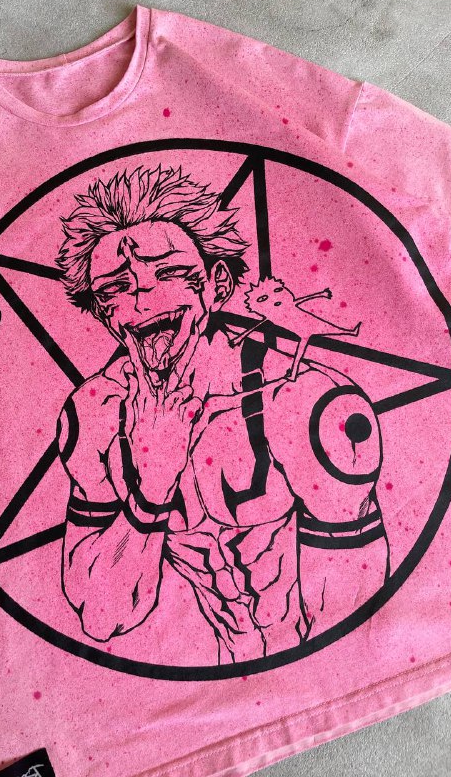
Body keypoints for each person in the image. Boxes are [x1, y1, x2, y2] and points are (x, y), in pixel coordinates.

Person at [54, 163, 390, 665]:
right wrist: (152, 485)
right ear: (104, 313)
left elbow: (355, 623)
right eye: (115, 288)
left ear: (216, 284)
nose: (141, 299)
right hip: (225, 666)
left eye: (167, 273)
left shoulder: (308, 406)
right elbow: (103, 617)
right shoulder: (96, 417)